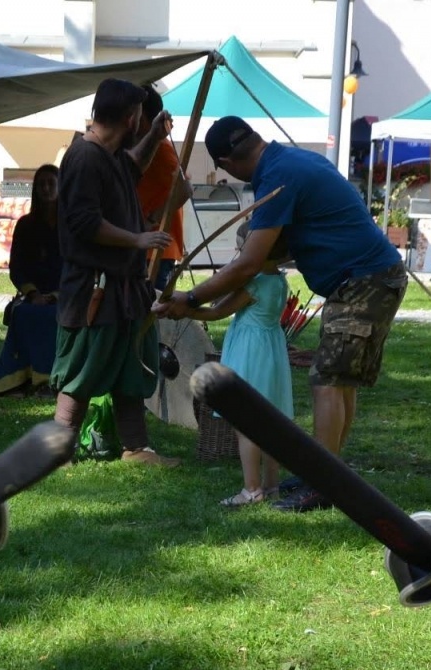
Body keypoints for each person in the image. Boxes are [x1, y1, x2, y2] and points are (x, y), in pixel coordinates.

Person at [154, 115, 406, 513]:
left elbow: (248, 264)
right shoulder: (292, 161)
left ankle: (324, 483)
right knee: (341, 382)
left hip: (364, 279)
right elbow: (285, 246)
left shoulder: (278, 176)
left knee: (328, 380)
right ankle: (326, 474)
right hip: (370, 277)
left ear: (228, 161)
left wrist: (190, 297)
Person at [49, 79, 179, 468]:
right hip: (95, 288)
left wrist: (155, 135)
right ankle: (59, 450)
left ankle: (137, 448)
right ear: (130, 116)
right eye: (142, 116)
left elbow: (131, 167)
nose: (143, 120)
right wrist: (137, 240)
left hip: (121, 288)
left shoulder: (109, 156)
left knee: (129, 365)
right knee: (81, 370)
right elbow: (86, 222)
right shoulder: (84, 157)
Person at [186, 224, 293, 506]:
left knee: (246, 420)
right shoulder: (279, 280)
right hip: (271, 349)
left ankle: (251, 489)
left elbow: (218, 311)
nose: (239, 254)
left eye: (242, 248)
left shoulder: (254, 283)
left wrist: (185, 308)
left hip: (251, 351)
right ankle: (271, 486)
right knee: (271, 420)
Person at [0, 165, 61, 396]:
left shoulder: (70, 226)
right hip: (33, 296)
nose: (47, 188)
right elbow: (17, 268)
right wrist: (33, 294)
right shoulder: (26, 225)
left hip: (65, 295)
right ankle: (19, 380)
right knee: (24, 314)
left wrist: (58, 295)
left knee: (55, 316)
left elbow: (79, 268)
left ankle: (52, 381)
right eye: (42, 184)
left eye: (51, 183)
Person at [135, 85, 190, 290]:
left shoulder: (159, 148)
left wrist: (150, 220)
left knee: (152, 311)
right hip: (145, 245)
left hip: (155, 249)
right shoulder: (144, 146)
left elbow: (184, 188)